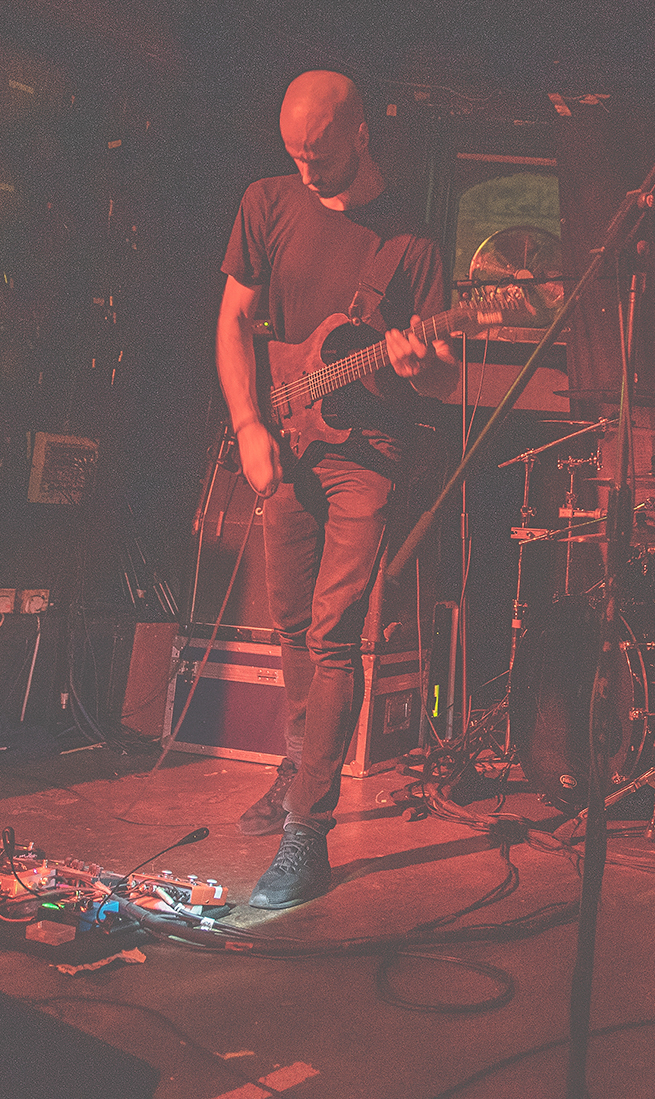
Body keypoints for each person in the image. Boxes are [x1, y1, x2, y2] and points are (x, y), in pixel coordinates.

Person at [216, 70, 458, 910]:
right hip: (286, 437)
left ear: (360, 134)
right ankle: (297, 767)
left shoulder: (410, 243)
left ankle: (307, 830)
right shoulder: (268, 202)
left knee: (335, 635)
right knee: (290, 625)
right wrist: (248, 423)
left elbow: (441, 378)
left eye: (318, 154)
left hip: (368, 454)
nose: (306, 170)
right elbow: (233, 320)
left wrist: (420, 365)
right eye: (294, 154)